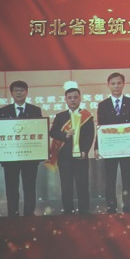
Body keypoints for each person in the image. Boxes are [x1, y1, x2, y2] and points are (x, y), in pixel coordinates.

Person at [95, 72, 130, 214]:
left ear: (123, 84)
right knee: (110, 179)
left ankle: (128, 208)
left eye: (119, 83)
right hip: (109, 148)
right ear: (108, 85)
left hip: (128, 148)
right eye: (113, 84)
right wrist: (97, 147)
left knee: (127, 179)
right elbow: (100, 128)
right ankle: (111, 207)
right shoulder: (103, 105)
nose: (116, 86)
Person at [0, 80, 43, 217]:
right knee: (11, 188)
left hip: (30, 157)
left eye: (21, 90)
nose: (19, 93)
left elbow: (40, 131)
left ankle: (29, 215)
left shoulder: (35, 110)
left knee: (29, 188)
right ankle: (13, 214)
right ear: (11, 93)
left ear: (26, 92)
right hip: (10, 157)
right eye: (16, 90)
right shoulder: (4, 111)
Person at [49, 87, 95, 215]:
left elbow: (90, 136)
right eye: (70, 98)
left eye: (75, 97)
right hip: (64, 158)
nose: (73, 100)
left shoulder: (87, 116)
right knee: (66, 187)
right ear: (65, 99)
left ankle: (84, 211)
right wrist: (65, 134)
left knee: (82, 186)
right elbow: (53, 132)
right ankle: (68, 212)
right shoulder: (60, 116)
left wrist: (85, 151)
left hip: (81, 157)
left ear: (80, 98)